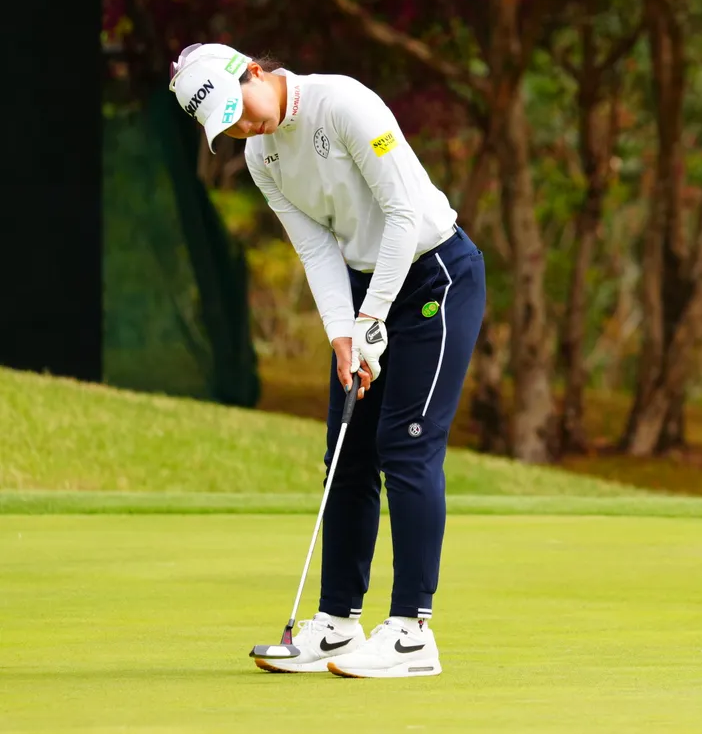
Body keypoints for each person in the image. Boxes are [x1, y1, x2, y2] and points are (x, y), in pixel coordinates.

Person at [169, 43, 486, 678]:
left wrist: (373, 316)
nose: (244, 127)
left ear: (253, 72)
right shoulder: (261, 158)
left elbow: (402, 215)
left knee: (406, 445)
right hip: (367, 294)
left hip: (436, 279)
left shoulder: (343, 103)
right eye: (228, 125)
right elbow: (316, 249)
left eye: (240, 109)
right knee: (347, 453)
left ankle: (411, 633)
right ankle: (338, 625)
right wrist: (342, 333)